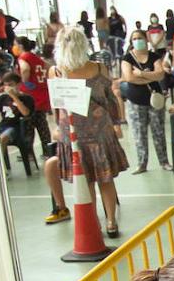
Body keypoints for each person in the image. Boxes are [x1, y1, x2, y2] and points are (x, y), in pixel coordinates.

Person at [44, 28, 129, 234]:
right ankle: (109, 222)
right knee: (103, 180)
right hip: (94, 132)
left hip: (77, 134)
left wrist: (57, 126)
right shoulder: (98, 69)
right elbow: (110, 99)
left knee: (87, 181)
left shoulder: (57, 71)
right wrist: (116, 122)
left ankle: (99, 223)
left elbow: (56, 104)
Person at [121, 29, 172, 173]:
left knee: (159, 132)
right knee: (139, 134)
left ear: (146, 39)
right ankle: (142, 164)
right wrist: (150, 76)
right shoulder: (127, 58)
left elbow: (160, 74)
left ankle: (164, 161)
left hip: (154, 100)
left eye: (140, 38)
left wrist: (141, 74)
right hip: (135, 101)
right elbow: (129, 77)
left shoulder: (154, 57)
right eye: (134, 38)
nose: (137, 41)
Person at [13, 36, 52, 149]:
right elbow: (48, 66)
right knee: (42, 125)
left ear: (20, 46)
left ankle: (29, 152)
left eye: (15, 44)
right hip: (42, 94)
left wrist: (24, 82)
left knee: (29, 126)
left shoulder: (23, 57)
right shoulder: (35, 57)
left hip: (31, 96)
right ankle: (48, 149)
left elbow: (25, 69)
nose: (13, 47)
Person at [0, 71, 33, 152]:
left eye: (11, 85)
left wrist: (14, 96)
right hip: (3, 126)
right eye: (6, 85)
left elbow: (26, 113)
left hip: (18, 128)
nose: (8, 87)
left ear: (19, 84)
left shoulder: (27, 98)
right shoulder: (2, 98)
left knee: (2, 139)